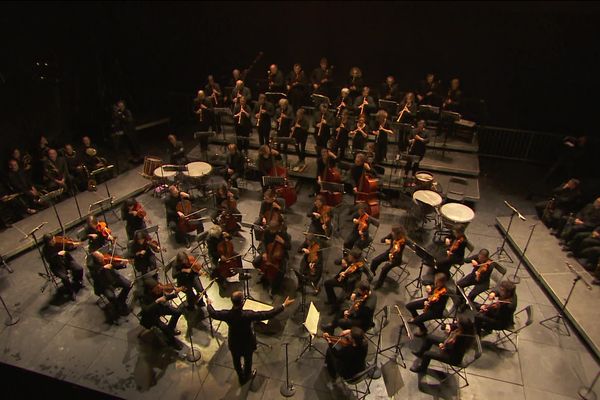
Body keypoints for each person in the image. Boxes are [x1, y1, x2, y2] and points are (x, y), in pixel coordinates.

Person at [207, 292, 294, 385]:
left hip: (234, 343)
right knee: (248, 360)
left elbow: (213, 313)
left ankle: (241, 378)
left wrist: (209, 304)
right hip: (247, 343)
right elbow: (268, 314)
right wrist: (283, 305)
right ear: (242, 302)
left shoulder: (227, 314)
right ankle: (247, 375)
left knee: (236, 361)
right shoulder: (248, 315)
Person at [410, 313, 475, 373]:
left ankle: (422, 369)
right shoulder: (462, 329)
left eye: (457, 322)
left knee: (427, 354)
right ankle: (420, 353)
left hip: (453, 357)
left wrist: (443, 347)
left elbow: (452, 348)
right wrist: (446, 326)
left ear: (461, 326)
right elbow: (445, 326)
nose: (455, 322)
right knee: (429, 338)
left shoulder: (462, 338)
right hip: (449, 345)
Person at [139, 277, 183, 350]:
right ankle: (171, 342)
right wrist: (157, 301)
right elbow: (146, 310)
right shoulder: (142, 296)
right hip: (151, 315)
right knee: (164, 328)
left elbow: (165, 297)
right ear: (151, 289)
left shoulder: (158, 290)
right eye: (157, 288)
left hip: (159, 308)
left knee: (177, 311)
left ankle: (171, 328)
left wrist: (175, 293)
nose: (160, 289)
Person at [87, 250, 132, 322]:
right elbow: (96, 275)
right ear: (96, 260)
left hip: (114, 278)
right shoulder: (93, 267)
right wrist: (103, 268)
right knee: (111, 296)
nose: (103, 259)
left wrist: (123, 263)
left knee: (128, 285)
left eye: (102, 257)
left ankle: (121, 300)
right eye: (100, 259)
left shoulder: (105, 260)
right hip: (104, 285)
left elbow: (114, 265)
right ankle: (117, 307)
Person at [253, 220, 291, 295]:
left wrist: (283, 242)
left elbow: (289, 247)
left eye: (273, 229)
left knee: (281, 272)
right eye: (270, 229)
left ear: (277, 228)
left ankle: (275, 289)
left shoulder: (284, 235)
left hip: (280, 256)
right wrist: (264, 253)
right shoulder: (267, 231)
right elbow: (263, 242)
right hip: (268, 252)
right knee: (255, 262)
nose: (271, 231)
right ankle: (265, 275)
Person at [42, 234, 84, 300]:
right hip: (56, 266)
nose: (54, 241)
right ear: (47, 243)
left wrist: (74, 244)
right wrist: (58, 254)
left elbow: (67, 247)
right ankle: (71, 292)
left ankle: (77, 280)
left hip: (66, 261)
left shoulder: (58, 242)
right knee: (64, 278)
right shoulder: (45, 250)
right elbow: (49, 260)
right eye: (51, 241)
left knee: (79, 268)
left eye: (53, 239)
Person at [193, 90, 214, 160]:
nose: (200, 97)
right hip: (199, 121)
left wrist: (205, 108)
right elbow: (193, 110)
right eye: (199, 96)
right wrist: (196, 112)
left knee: (205, 135)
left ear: (204, 95)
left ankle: (205, 147)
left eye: (201, 96)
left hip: (206, 121)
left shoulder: (208, 101)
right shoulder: (196, 101)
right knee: (200, 135)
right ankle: (202, 148)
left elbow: (211, 111)